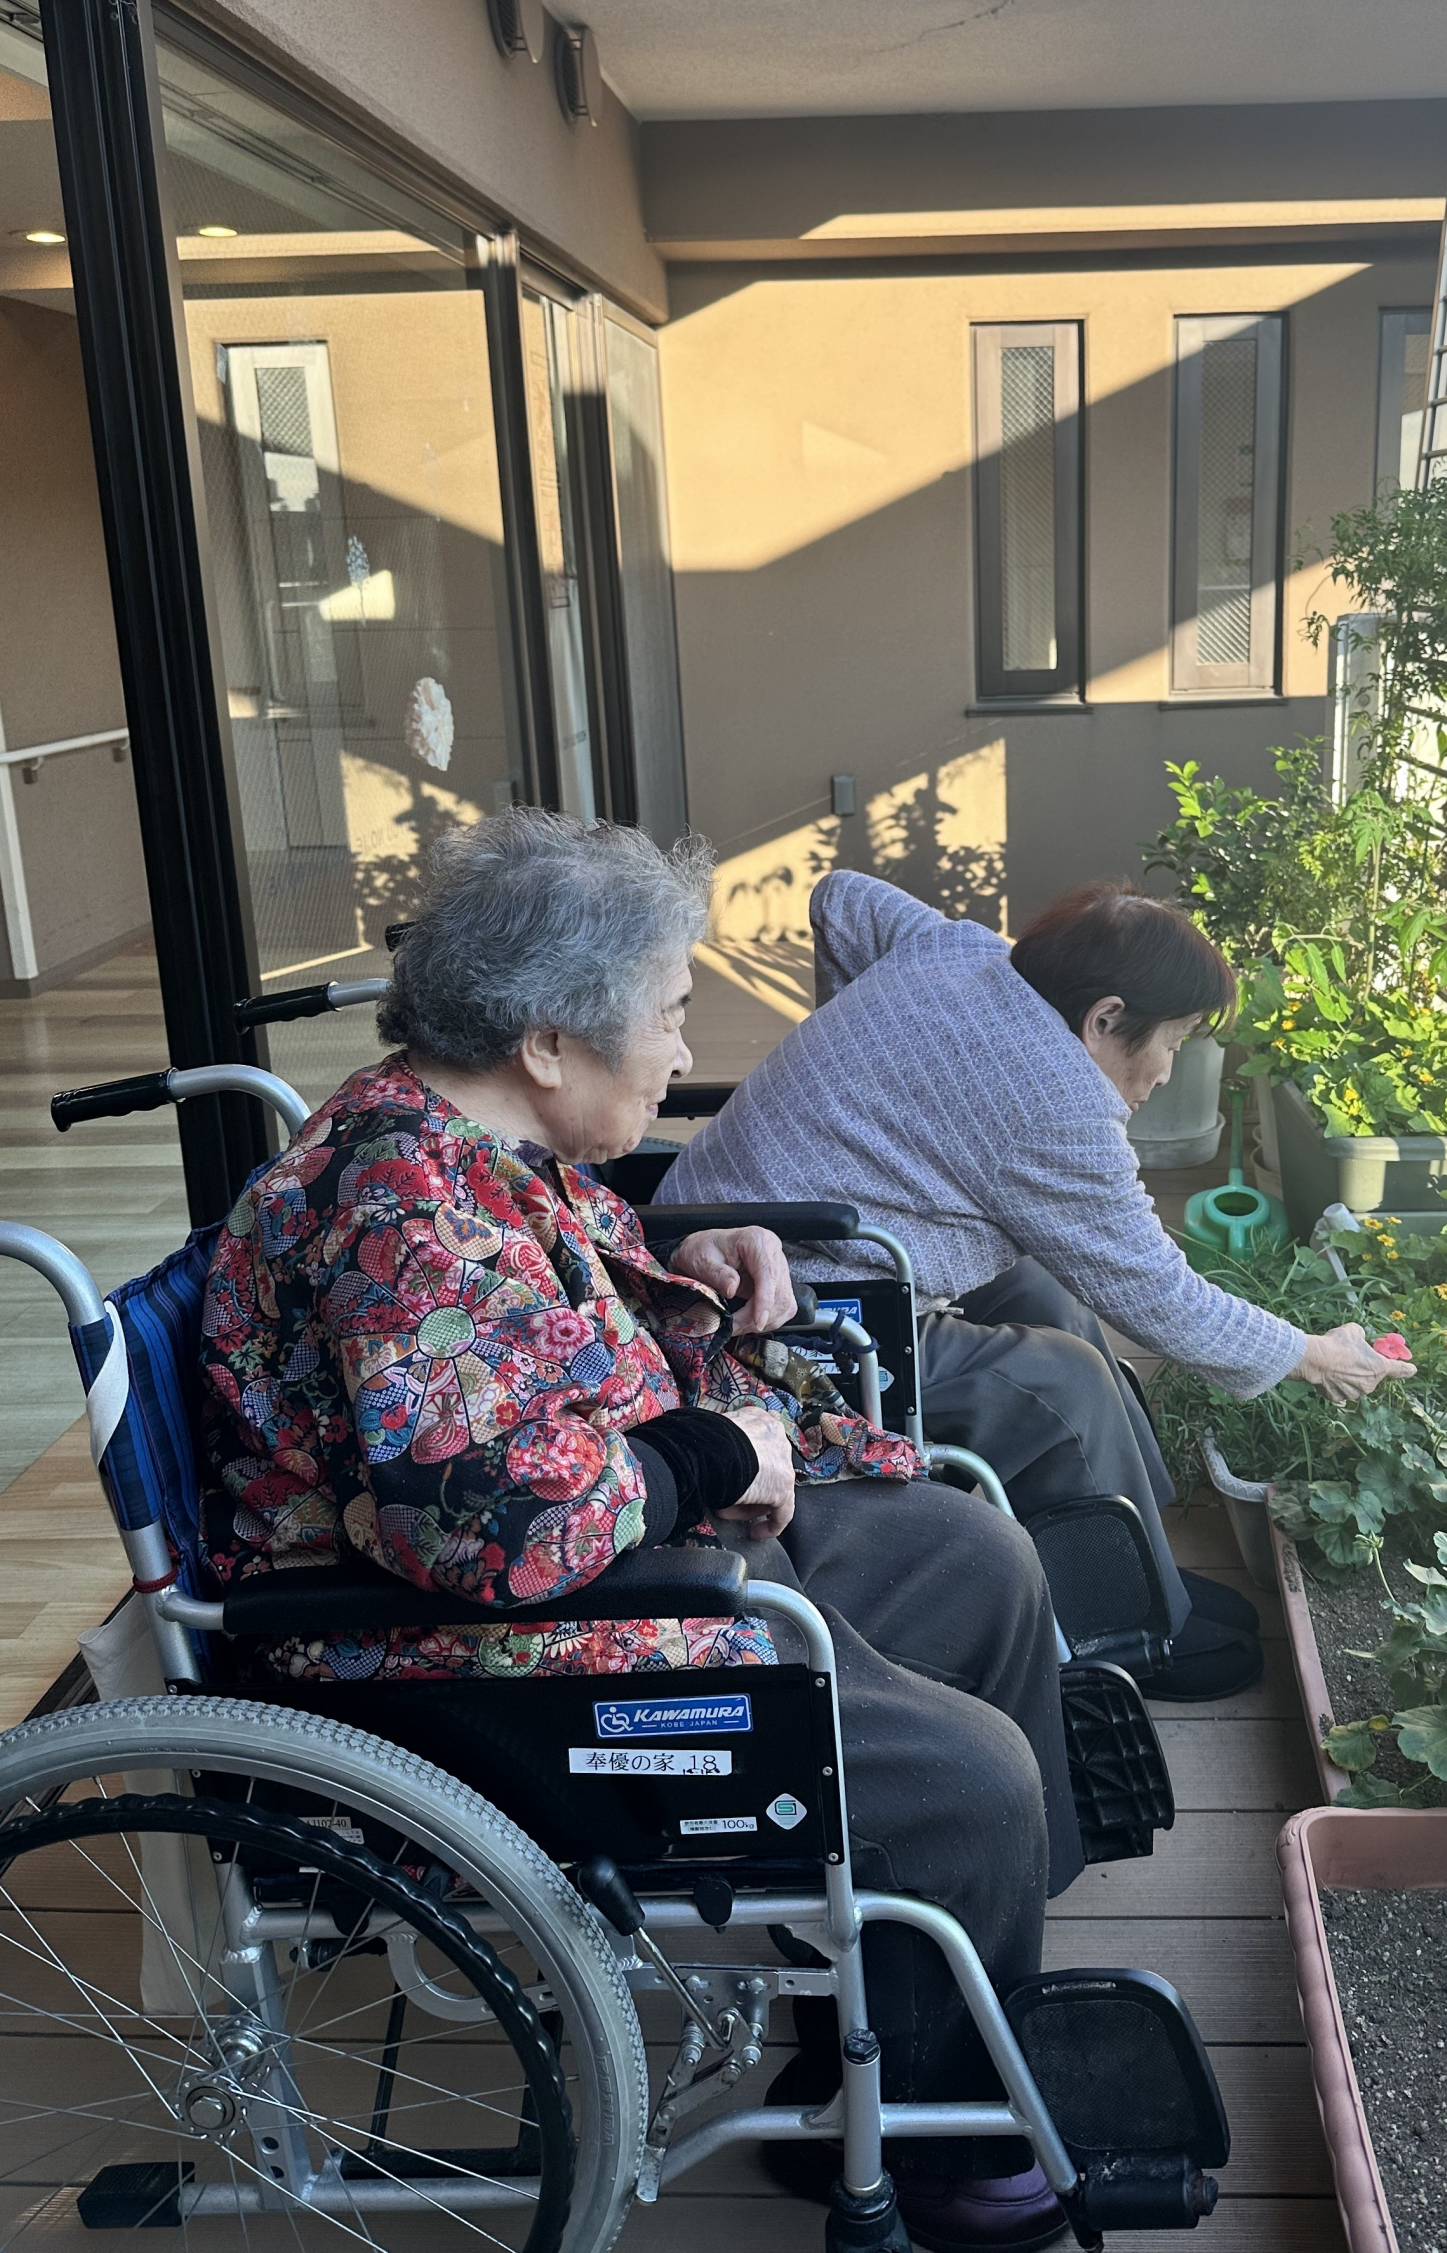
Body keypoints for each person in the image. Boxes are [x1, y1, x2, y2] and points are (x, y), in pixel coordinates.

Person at [198, 812, 1085, 2253]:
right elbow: (484, 1521)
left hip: (623, 1563)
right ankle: (940, 2141)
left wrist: (673, 1264)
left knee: (972, 1561)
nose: (682, 1049)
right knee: (967, 1783)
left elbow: (523, 1317)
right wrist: (718, 1447)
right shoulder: (402, 1205)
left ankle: (939, 2001)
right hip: (469, 1655)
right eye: (670, 1013)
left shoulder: (466, 1139)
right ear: (550, 1039)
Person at [659, 871, 1415, 1697]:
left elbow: (842, 899)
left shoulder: (961, 951)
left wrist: (866, 1076)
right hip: (772, 1316)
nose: (1169, 1070)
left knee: (1047, 1299)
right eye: (1174, 1042)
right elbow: (1161, 1294)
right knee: (1062, 1384)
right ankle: (1131, 1631)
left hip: (725, 1219)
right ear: (1104, 1019)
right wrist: (1314, 1355)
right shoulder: (1056, 1104)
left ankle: (1135, 1564)